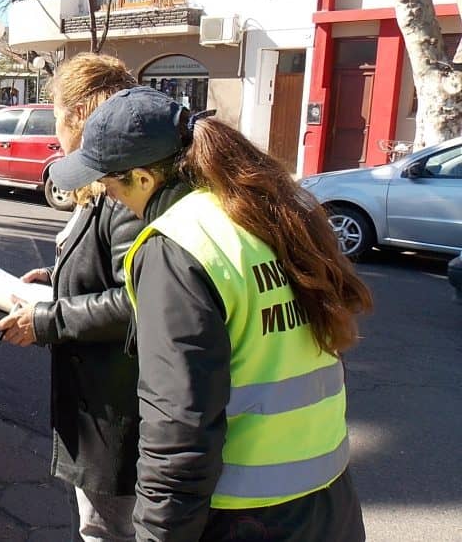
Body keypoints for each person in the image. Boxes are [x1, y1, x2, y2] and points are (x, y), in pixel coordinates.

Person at [49, 88, 372, 541]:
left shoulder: (177, 245)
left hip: (245, 518)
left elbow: (179, 427)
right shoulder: (271, 211)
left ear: (143, 179)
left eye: (110, 184)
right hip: (329, 503)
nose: (111, 199)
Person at [0, 53, 142, 541]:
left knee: (107, 530)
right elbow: (95, 260)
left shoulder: (125, 185)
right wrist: (57, 276)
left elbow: (136, 301)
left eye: (56, 111)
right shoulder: (98, 178)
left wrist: (45, 319)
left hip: (116, 402)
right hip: (95, 397)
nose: (54, 125)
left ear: (78, 114)